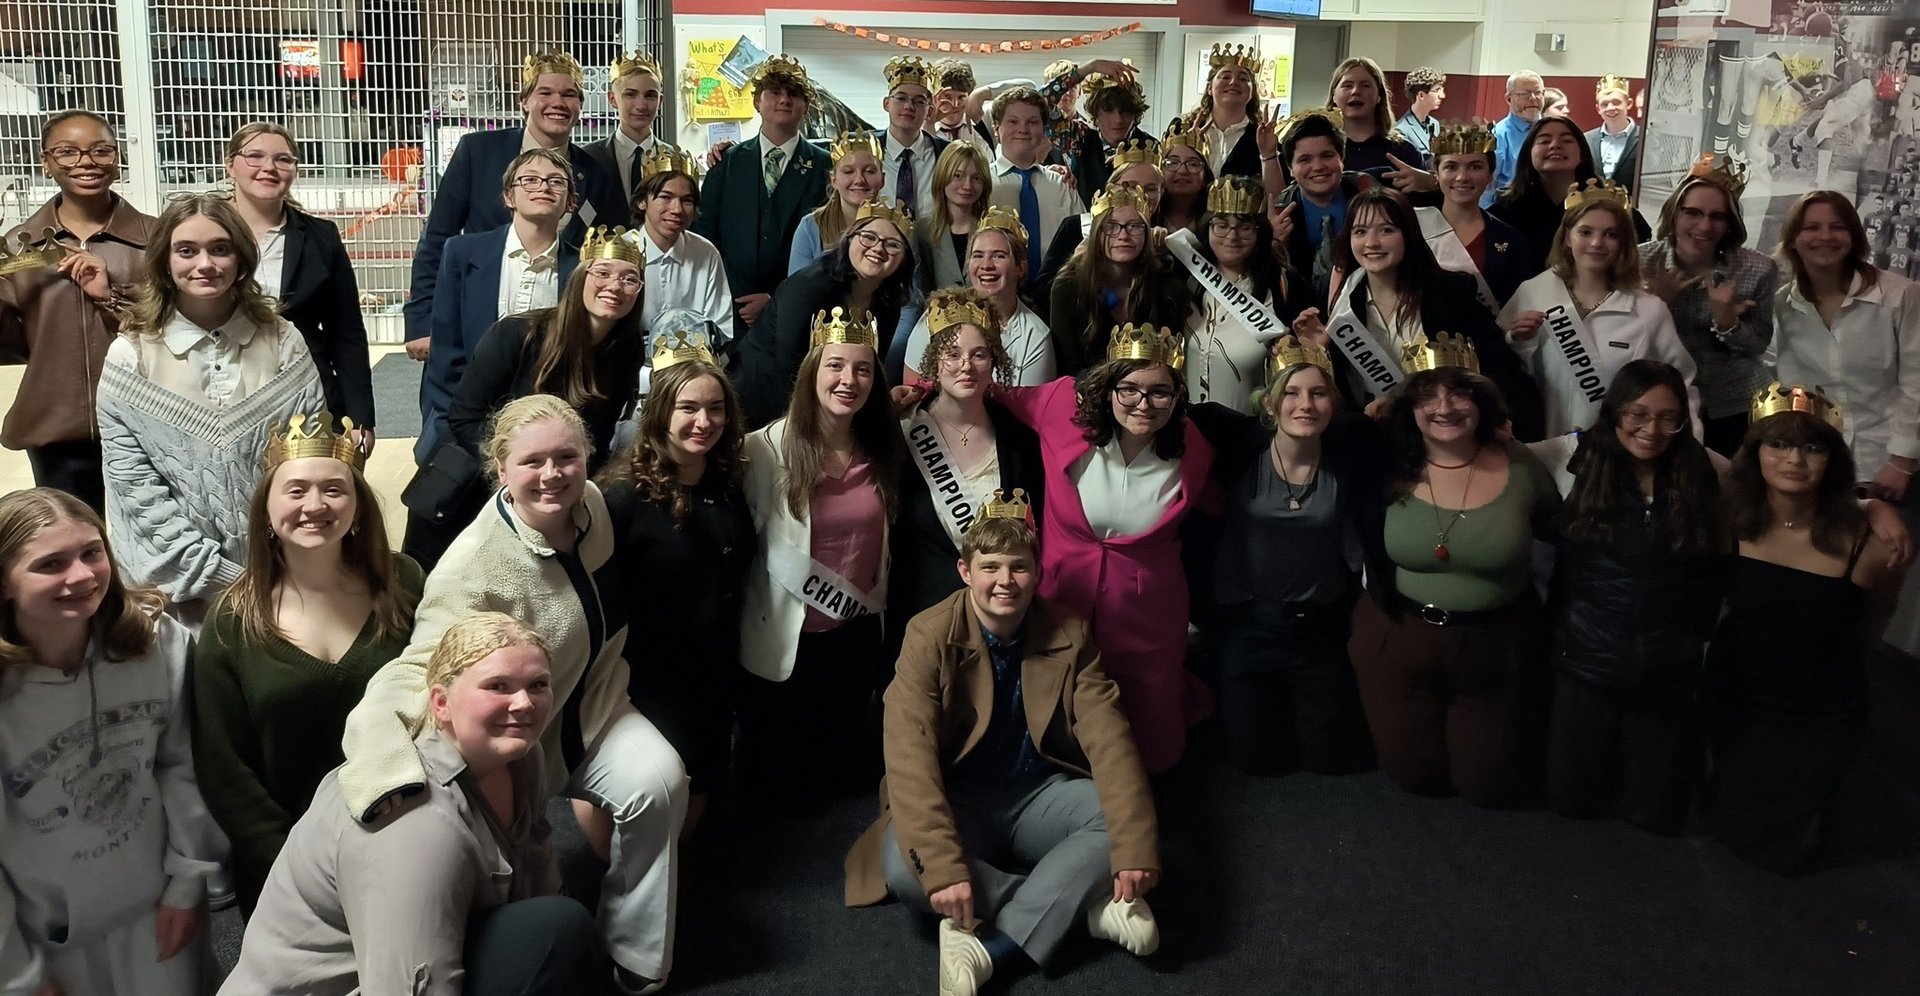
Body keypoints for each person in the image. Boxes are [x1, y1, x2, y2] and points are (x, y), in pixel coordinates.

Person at [341, 395, 688, 996]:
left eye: (567, 457)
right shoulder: (472, 568)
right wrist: (381, 768)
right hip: (519, 739)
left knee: (660, 782)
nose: (552, 474)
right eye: (532, 462)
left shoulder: (595, 507)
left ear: (587, 459)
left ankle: (636, 952)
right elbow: (412, 672)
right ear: (500, 470)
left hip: (598, 707)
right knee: (520, 896)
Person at [843, 504, 1162, 996]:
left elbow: (1110, 738)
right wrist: (945, 870)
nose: (1005, 580)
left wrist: (1135, 850)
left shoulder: (1070, 631)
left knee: (1116, 824)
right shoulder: (928, 634)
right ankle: (1082, 911)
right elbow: (909, 755)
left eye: (1019, 566)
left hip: (1040, 791)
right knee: (907, 871)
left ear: (1037, 573)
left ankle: (989, 948)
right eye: (990, 566)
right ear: (965, 572)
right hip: (959, 797)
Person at [219, 614, 603, 995]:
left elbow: (537, 868)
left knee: (557, 928)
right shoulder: (414, 819)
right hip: (339, 984)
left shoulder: (522, 758)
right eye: (497, 686)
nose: (523, 704)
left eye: (537, 685)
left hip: (413, 945)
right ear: (441, 703)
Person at [190, 412, 422, 913]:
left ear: (358, 506)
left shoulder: (404, 584)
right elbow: (223, 767)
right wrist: (293, 864)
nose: (315, 505)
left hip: (407, 840)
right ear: (267, 511)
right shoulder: (233, 621)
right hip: (286, 868)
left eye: (333, 490)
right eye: (295, 491)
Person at [0, 488, 220, 996]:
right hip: (46, 937)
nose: (81, 576)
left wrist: (187, 884)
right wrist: (16, 974)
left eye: (91, 552)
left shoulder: (153, 640)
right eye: (50, 564)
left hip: (157, 907)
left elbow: (184, 763)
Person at [991, 324, 1216, 773]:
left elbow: (1223, 503)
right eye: (1128, 389)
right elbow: (996, 392)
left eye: (1159, 393)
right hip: (1061, 598)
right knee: (1057, 719)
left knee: (1152, 744)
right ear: (1107, 387)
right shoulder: (1060, 409)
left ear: (1177, 398)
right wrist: (917, 389)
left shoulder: (1193, 449)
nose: (1143, 404)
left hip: (1148, 614)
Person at [1346, 345, 1562, 807]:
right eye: (1427, 395)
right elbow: (1324, 432)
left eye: (1459, 392)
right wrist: (1373, 416)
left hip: (1495, 645)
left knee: (1489, 786)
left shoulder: (1520, 464)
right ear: (1408, 405)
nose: (1444, 407)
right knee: (1412, 776)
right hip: (1399, 635)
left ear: (1481, 400)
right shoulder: (1385, 462)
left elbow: (1562, 530)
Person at [96, 193, 325, 618]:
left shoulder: (282, 340)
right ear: (164, 260)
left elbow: (309, 457)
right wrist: (222, 577)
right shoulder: (131, 354)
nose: (206, 264)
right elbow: (136, 490)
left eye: (221, 249)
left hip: (279, 575)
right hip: (171, 589)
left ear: (241, 258)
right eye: (187, 250)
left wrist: (279, 567)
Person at [1704, 387, 1902, 873]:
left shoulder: (1870, 544)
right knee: (1726, 826)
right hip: (1740, 693)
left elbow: (1873, 627)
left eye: (1812, 448)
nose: (1794, 459)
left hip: (1820, 706)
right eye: (1779, 445)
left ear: (1833, 460)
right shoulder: (1729, 520)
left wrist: (1876, 504)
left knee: (1788, 853)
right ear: (1756, 454)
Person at [1542, 360, 1727, 833]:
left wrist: (1872, 508)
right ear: (1615, 412)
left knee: (1657, 812)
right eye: (1638, 414)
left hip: (1666, 661)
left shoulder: (1704, 468)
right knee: (1572, 800)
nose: (1652, 429)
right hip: (1587, 653)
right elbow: (1492, 454)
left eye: (1669, 417)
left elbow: (1782, 486)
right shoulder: (1572, 456)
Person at [1185, 340, 1377, 775]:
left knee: (1331, 760)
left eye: (1318, 393)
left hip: (1318, 627)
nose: (1304, 404)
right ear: (1269, 405)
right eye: (1291, 393)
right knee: (1258, 762)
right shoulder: (1237, 453)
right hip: (1248, 624)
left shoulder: (1349, 458)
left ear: (1333, 405)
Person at [405, 225, 646, 570]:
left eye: (629, 279)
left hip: (546, 504)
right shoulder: (517, 335)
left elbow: (599, 440)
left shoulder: (626, 353)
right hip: (469, 495)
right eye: (602, 273)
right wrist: (515, 473)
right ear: (580, 278)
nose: (614, 287)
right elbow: (463, 417)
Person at [738, 309, 905, 798]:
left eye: (862, 368)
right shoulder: (764, 451)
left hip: (852, 634)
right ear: (812, 371)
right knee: (779, 797)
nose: (848, 380)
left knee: (839, 782)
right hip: (786, 641)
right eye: (835, 366)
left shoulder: (882, 449)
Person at [597, 337, 753, 838]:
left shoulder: (730, 484)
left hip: (715, 677)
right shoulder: (619, 499)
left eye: (715, 408)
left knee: (689, 825)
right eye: (688, 407)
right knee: (623, 835)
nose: (703, 422)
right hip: (648, 684)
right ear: (661, 411)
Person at [403, 49, 620, 356]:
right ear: (524, 101)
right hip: (478, 317)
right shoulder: (478, 152)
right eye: (545, 92)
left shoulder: (596, 174)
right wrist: (421, 321)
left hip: (560, 330)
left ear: (580, 106)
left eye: (569, 94)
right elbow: (437, 236)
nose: (558, 103)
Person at [1, 109, 152, 513]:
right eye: (67, 152)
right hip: (55, 427)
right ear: (45, 161)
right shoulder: (18, 246)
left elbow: (174, 324)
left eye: (100, 150)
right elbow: (15, 346)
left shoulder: (157, 237)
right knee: (76, 537)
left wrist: (111, 296)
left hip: (148, 418)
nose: (85, 162)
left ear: (117, 159)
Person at [1303, 187, 1543, 439]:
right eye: (1360, 231)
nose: (1372, 242)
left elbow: (1497, 368)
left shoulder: (1451, 292)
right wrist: (1319, 351)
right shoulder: (1343, 305)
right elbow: (1341, 394)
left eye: (1386, 230)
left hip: (1450, 434)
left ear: (1408, 235)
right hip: (1380, 441)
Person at [893, 288, 1047, 620]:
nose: (966, 366)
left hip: (1002, 612)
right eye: (952, 354)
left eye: (979, 355)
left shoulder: (1020, 440)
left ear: (994, 361)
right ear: (934, 360)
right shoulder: (902, 432)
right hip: (923, 614)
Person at [417, 150, 580, 461]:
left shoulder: (583, 268)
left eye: (556, 182)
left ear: (570, 201)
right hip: (466, 426)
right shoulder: (463, 253)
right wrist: (465, 429)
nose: (542, 187)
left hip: (546, 430)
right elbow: (446, 348)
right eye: (529, 180)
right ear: (509, 197)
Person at [1502, 183, 1699, 439]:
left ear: (1623, 243)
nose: (1597, 243)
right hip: (1543, 450)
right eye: (1585, 232)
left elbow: (1681, 387)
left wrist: (1689, 450)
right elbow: (1503, 375)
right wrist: (1518, 342)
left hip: (1617, 456)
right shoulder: (1533, 293)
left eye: (1610, 234)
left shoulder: (1649, 311)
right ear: (1566, 237)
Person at [224, 122, 376, 443]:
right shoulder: (201, 231)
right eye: (255, 156)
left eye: (283, 159)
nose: (269, 167)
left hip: (304, 392)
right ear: (230, 165)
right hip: (221, 392)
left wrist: (360, 417)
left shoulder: (321, 237)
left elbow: (345, 331)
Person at [1771, 190, 1920, 502]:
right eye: (1812, 227)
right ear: (1794, 238)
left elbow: (1916, 383)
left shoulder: (1900, 296)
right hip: (1825, 467)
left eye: (1837, 227)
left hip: (1895, 466)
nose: (1825, 236)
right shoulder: (1785, 302)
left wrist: (1902, 461)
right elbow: (1792, 385)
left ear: (1853, 236)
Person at [1640, 155, 1778, 455]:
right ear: (1675, 213)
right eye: (1693, 213)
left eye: (1717, 216)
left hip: (1734, 402)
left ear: (1730, 224)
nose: (1705, 226)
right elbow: (1620, 341)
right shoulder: (1640, 262)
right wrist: (1656, 304)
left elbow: (1757, 345)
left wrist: (1727, 322)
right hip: (1660, 401)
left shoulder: (1759, 268)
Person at [736, 199, 917, 425]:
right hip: (765, 396)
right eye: (868, 237)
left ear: (903, 260)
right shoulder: (807, 288)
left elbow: (871, 370)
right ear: (849, 239)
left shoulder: (889, 304)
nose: (878, 248)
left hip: (829, 403)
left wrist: (885, 401)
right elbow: (791, 370)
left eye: (892, 244)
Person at [692, 55, 832, 336]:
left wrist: (777, 296)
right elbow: (706, 236)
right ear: (757, 101)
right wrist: (733, 296)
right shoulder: (726, 163)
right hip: (729, 312)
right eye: (775, 92)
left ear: (806, 106)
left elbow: (829, 248)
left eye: (794, 94)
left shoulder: (826, 167)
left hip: (798, 313)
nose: (784, 100)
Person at [1174, 176, 1311, 413]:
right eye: (1222, 225)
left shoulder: (1283, 285)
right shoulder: (1184, 278)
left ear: (1260, 231)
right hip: (1185, 428)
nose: (1232, 236)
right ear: (1208, 227)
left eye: (1245, 226)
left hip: (1251, 431)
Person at [1049, 185, 1191, 376]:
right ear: (1097, 232)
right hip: (1085, 395)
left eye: (1134, 226)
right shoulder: (1068, 286)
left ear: (1146, 233)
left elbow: (1170, 365)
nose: (1123, 236)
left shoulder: (1169, 289)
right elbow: (1069, 369)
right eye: (1112, 226)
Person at [905, 207, 1056, 386]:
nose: (986, 265)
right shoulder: (939, 312)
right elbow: (911, 391)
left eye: (999, 256)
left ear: (1020, 268)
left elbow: (1030, 409)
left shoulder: (1035, 337)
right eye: (978, 256)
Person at [1491, 116, 1649, 275]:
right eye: (1544, 141)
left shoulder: (1610, 206)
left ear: (1582, 153)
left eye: (1566, 140)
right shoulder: (1503, 212)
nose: (1555, 145)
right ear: (1528, 154)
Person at [1417, 123, 1533, 309]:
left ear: (1490, 176)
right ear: (1436, 174)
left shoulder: (1512, 242)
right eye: (1451, 167)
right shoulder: (1411, 228)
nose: (1462, 176)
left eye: (1475, 167)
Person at [1035, 140, 1166, 295]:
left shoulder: (1164, 235)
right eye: (1129, 186)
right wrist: (1076, 267)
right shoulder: (1076, 227)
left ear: (1161, 192)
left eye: (1151, 189)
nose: (1140, 195)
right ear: (1111, 187)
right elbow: (1041, 292)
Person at [985, 86, 1080, 290]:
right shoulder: (982, 184)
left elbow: (1083, 242)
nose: (1023, 129)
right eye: (1013, 121)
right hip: (997, 292)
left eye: (1033, 122)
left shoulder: (1063, 185)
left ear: (1043, 129)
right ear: (996, 128)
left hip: (1055, 292)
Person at [629, 147, 733, 334]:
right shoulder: (621, 251)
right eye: (666, 197)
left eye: (686, 200)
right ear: (642, 202)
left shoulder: (705, 253)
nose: (677, 209)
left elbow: (720, 327)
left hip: (694, 360)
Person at [585, 50, 682, 220]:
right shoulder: (588, 158)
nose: (641, 105)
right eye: (631, 94)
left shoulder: (677, 161)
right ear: (612, 99)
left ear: (660, 102)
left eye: (650, 96)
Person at [789, 134, 886, 276]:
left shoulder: (899, 228)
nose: (859, 179)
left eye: (869, 171)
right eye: (848, 171)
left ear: (883, 179)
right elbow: (795, 293)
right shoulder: (810, 227)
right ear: (833, 179)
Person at [873, 56, 951, 220]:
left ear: (929, 112)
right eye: (901, 98)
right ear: (887, 104)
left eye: (919, 101)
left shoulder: (946, 153)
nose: (909, 106)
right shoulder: (866, 148)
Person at [917, 141, 994, 291]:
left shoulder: (993, 230)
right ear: (942, 177)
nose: (967, 186)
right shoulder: (922, 231)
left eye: (976, 178)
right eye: (957, 176)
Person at [1326, 57, 1423, 177]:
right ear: (1334, 95)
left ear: (1379, 95)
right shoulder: (1319, 149)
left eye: (1365, 85)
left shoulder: (1404, 151)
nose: (1356, 91)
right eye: (1347, 85)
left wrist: (1428, 183)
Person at [1070, 71, 1157, 198]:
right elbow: (1044, 108)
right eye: (1108, 111)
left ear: (1135, 114)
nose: (1118, 120)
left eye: (1126, 112)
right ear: (1096, 112)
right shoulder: (1079, 140)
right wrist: (1091, 66)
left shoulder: (1152, 147)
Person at [1190, 44, 1265, 179]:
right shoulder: (1182, 129)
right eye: (1225, 77)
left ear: (1252, 91)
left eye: (1243, 79)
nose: (1233, 82)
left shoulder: (1263, 139)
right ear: (1209, 88)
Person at [1489, 70, 1545, 208]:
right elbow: (1487, 185)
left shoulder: (1553, 131)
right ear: (1509, 99)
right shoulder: (1498, 135)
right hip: (1512, 211)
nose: (1532, 98)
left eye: (1538, 92)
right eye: (1524, 94)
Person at [1155, 119, 1214, 235]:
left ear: (1205, 176)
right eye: (1172, 163)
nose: (1182, 171)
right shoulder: (1146, 216)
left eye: (1193, 164)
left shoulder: (1217, 223)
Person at [1585, 74, 1641, 193]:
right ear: (1598, 109)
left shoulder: (1644, 138)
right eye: (1604, 104)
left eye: (1616, 102)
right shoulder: (1586, 139)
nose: (1610, 108)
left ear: (1629, 103)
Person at [928, 58, 993, 152]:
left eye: (961, 97)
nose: (955, 104)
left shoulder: (983, 119)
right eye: (947, 96)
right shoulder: (921, 127)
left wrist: (984, 92)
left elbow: (1020, 89)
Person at [1396, 67, 1447, 164]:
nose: (1442, 95)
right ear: (1421, 95)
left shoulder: (1435, 124)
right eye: (1437, 90)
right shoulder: (1401, 130)